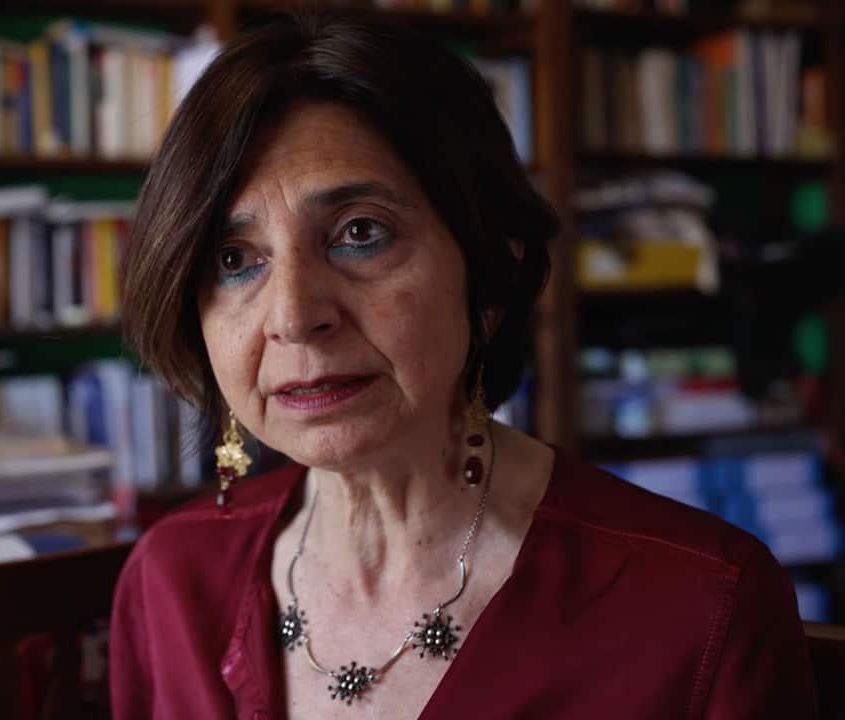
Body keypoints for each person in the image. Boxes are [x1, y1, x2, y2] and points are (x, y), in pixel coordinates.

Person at [111, 11, 816, 719]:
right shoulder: (171, 583)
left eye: (360, 234)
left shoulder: (699, 607)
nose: (293, 316)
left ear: (487, 273)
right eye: (235, 261)